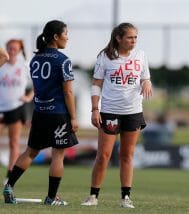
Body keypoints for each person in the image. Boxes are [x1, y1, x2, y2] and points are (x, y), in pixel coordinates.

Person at [3, 20, 79, 206]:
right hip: (59, 114)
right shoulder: (63, 60)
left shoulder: (35, 60)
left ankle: (9, 185)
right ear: (56, 36)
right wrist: (74, 117)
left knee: (30, 152)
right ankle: (52, 198)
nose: (67, 37)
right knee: (58, 155)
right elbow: (68, 92)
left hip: (39, 113)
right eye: (65, 33)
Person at [81, 22, 152, 208]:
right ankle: (93, 196)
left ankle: (125, 197)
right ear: (118, 38)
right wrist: (95, 109)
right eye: (130, 37)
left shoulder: (141, 55)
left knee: (127, 155)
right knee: (103, 155)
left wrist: (147, 82)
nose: (134, 41)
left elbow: (145, 76)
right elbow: (96, 83)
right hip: (110, 111)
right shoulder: (105, 57)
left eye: (135, 37)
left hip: (133, 112)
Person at [0, 39, 34, 183]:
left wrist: (28, 97)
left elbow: (37, 84)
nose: (12, 52)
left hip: (16, 108)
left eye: (15, 49)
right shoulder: (1, 65)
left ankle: (9, 175)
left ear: (20, 50)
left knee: (14, 143)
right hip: (1, 108)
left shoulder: (25, 66)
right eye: (10, 49)